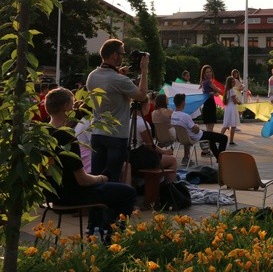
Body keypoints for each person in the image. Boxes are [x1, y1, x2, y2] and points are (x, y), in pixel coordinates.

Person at [45, 87, 136, 242]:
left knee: (111, 190)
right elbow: (83, 180)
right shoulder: (67, 136)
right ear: (66, 106)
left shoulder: (44, 132)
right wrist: (102, 178)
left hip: (52, 194)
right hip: (72, 194)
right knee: (127, 192)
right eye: (72, 104)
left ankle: (99, 229)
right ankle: (113, 239)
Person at [86, 39, 148, 182]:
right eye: (122, 53)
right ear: (114, 55)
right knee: (112, 177)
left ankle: (97, 203)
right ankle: (112, 204)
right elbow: (142, 95)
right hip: (116, 135)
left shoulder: (92, 76)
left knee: (97, 178)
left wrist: (118, 73)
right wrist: (144, 70)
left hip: (97, 132)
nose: (123, 57)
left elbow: (109, 84)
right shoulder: (119, 80)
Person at [129, 97, 177, 181]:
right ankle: (169, 187)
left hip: (127, 154)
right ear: (145, 107)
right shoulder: (142, 123)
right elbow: (150, 146)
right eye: (148, 104)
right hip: (138, 158)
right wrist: (164, 151)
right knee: (172, 160)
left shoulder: (127, 120)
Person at [171, 93, 228, 163]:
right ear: (183, 102)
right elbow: (196, 130)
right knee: (224, 138)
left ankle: (219, 159)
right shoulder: (185, 116)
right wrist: (197, 126)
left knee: (211, 139)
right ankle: (221, 160)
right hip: (197, 136)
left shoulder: (173, 115)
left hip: (184, 137)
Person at [220, 76, 241, 146]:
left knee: (226, 125)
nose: (234, 83)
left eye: (234, 81)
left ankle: (219, 138)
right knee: (233, 125)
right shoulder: (231, 90)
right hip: (232, 107)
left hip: (228, 107)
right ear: (229, 83)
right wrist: (239, 102)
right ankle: (231, 141)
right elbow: (234, 101)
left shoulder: (227, 90)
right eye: (232, 82)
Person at [199, 65, 221, 132]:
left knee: (208, 127)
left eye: (210, 71)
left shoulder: (203, 82)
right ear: (204, 74)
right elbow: (218, 90)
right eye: (207, 72)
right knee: (210, 128)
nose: (209, 73)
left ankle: (209, 141)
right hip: (210, 104)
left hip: (206, 104)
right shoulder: (208, 82)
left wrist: (214, 93)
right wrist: (216, 92)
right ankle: (211, 141)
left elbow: (209, 93)